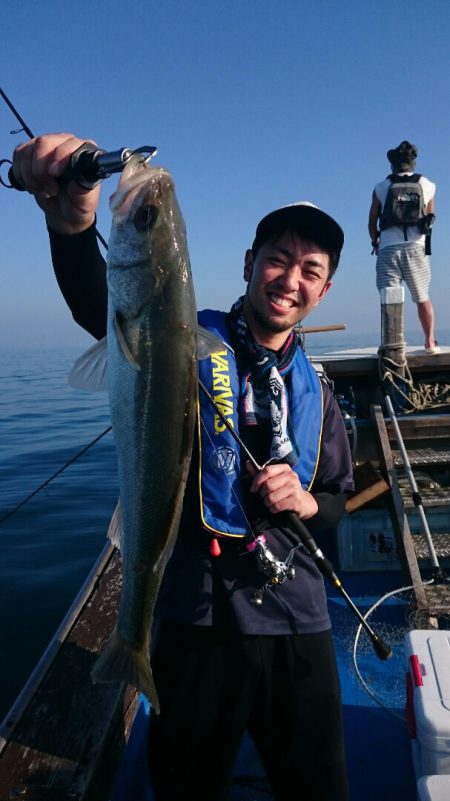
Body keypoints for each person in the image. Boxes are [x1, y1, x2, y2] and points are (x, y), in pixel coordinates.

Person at [13, 134, 355, 801]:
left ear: (324, 289)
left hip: (298, 618)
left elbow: (340, 499)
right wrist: (72, 228)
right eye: (278, 259)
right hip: (198, 615)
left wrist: (309, 503)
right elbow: (104, 309)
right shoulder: (184, 336)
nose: (290, 279)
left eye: (310, 269)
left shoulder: (322, 393)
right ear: (249, 263)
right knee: (184, 788)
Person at [368, 140, 438, 353]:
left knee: (390, 299)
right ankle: (430, 342)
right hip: (416, 248)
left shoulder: (380, 187)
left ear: (393, 165)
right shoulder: (428, 185)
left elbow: (371, 222)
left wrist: (375, 242)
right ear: (413, 163)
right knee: (422, 297)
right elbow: (430, 218)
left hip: (389, 249)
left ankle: (392, 346)